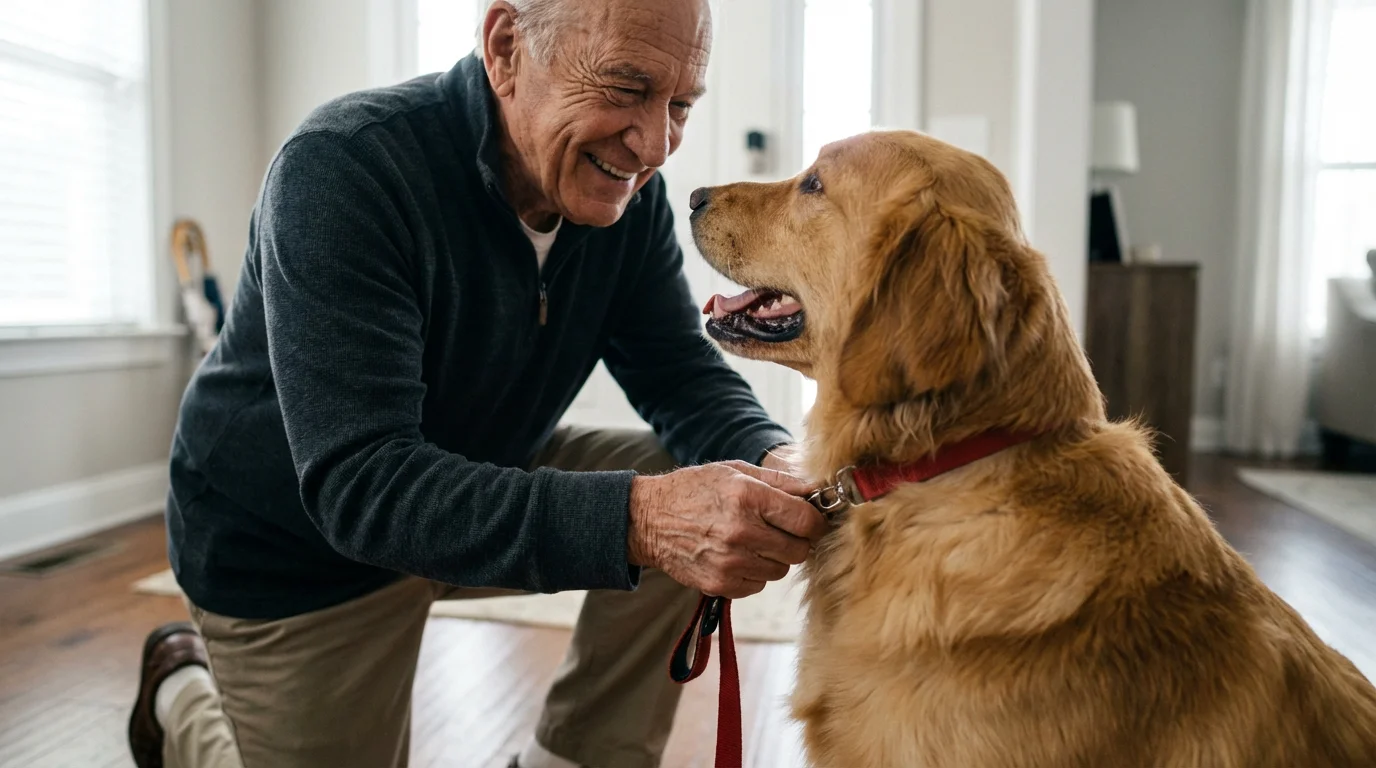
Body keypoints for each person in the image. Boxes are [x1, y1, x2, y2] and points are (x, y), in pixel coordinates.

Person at [125, 1, 828, 767]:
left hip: (473, 464)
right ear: (505, 48)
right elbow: (363, 485)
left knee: (700, 483)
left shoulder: (628, 202)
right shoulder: (344, 168)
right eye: (626, 88)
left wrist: (771, 459)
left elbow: (683, 378)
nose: (656, 144)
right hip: (294, 543)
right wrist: (645, 520)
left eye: (681, 104)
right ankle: (180, 689)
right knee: (666, 504)